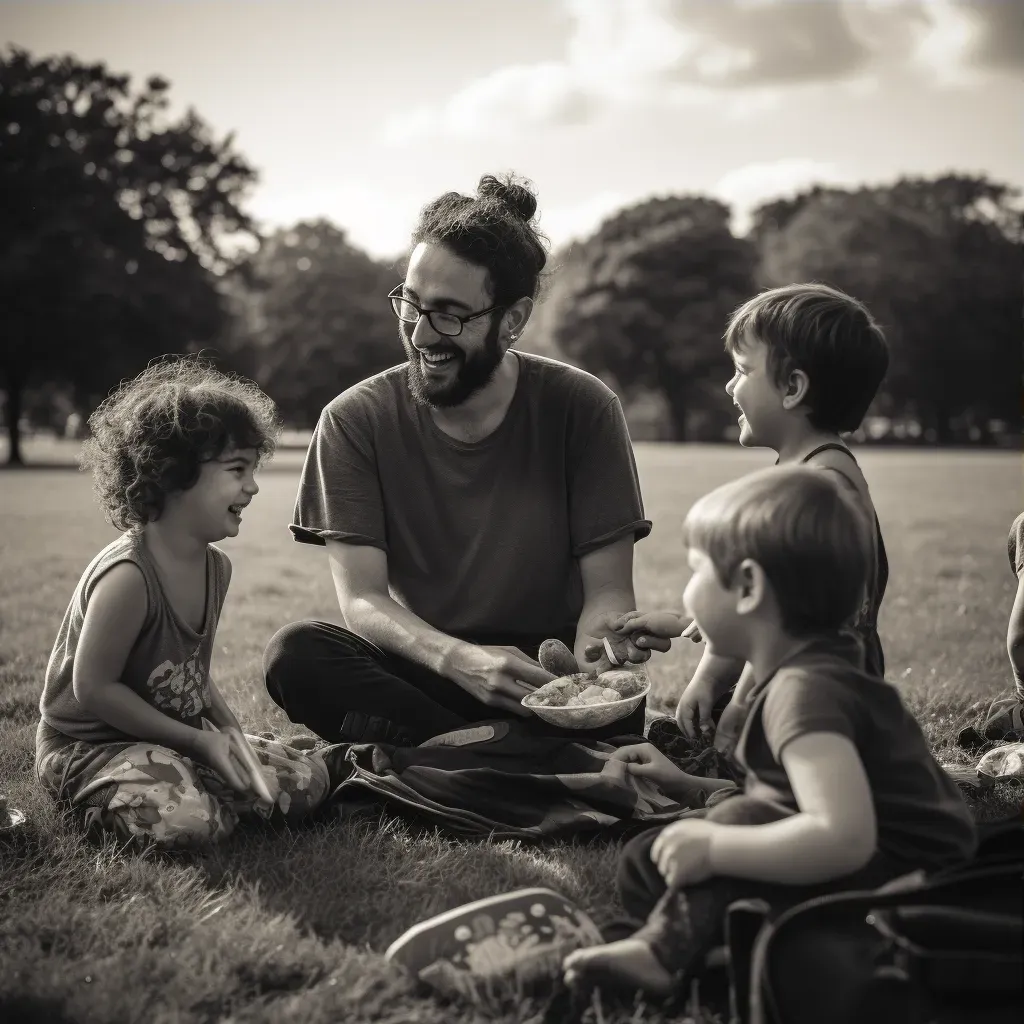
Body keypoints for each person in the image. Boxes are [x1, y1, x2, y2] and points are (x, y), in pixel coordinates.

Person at [263, 173, 665, 747]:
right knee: (298, 654)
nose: (421, 333)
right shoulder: (354, 420)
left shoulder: (583, 406)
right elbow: (363, 598)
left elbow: (606, 592)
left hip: (547, 673)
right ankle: (527, 758)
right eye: (411, 303)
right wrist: (457, 659)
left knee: (613, 712)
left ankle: (465, 753)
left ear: (513, 319)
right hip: (429, 662)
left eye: (450, 314)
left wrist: (597, 659)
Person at [562, 466, 977, 997]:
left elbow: (844, 836)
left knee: (726, 827)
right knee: (655, 858)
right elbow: (786, 802)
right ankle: (713, 940)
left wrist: (716, 851)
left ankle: (667, 955)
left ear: (750, 587)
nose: (688, 596)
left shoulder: (807, 694)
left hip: (911, 881)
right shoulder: (811, 666)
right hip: (886, 860)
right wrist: (697, 802)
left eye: (697, 572)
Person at [35, 358, 330, 849]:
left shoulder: (217, 569)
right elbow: (94, 690)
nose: (253, 486)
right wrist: (196, 743)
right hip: (88, 748)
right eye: (237, 469)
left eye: (253, 469)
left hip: (174, 738)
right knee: (192, 823)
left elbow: (189, 672)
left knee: (307, 783)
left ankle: (187, 783)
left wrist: (230, 737)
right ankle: (101, 804)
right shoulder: (129, 577)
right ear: (172, 475)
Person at [657, 283, 891, 760]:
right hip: (787, 673)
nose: (729, 386)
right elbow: (755, 606)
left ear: (792, 388)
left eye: (742, 370)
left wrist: (742, 706)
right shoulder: (800, 473)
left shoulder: (825, 484)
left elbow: (785, 627)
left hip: (821, 690)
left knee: (727, 769)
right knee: (680, 738)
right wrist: (706, 676)